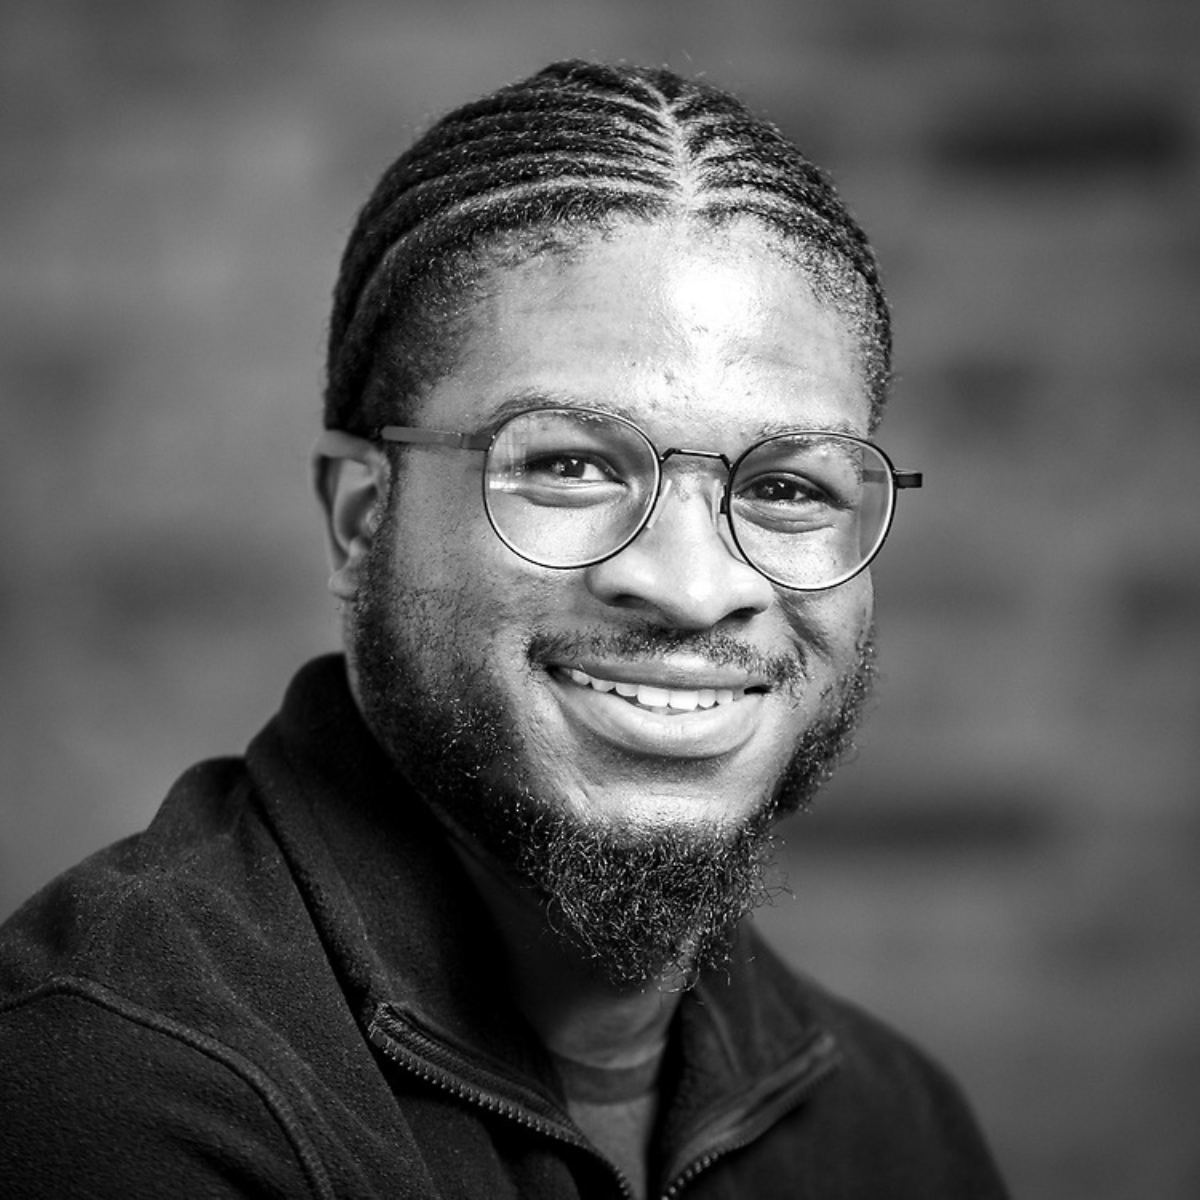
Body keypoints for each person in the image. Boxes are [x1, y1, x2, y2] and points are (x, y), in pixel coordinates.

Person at [0, 61, 1008, 1198]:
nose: (693, 587)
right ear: (361, 519)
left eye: (786, 487)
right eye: (569, 466)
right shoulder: (103, 1095)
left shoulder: (895, 1128)